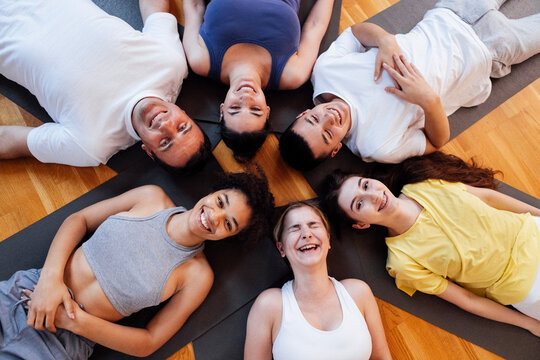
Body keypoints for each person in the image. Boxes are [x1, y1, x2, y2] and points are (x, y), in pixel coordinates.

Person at [0, 172, 275, 359]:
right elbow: (78, 220)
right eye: (220, 202)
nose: (213, 216)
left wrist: (74, 322)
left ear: (230, 236)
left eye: (228, 223)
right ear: (214, 192)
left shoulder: (198, 276)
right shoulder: (150, 197)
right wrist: (50, 280)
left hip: (63, 343)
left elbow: (149, 341)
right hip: (29, 289)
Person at [280, 0, 540, 170]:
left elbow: (356, 32)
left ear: (305, 113)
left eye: (313, 120)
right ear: (336, 149)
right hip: (489, 52)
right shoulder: (375, 145)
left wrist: (385, 41)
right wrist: (428, 100)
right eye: (328, 134)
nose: (329, 118)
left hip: (451, 13)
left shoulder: (324, 72)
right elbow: (436, 142)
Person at [323, 151, 540, 336]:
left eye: (366, 185)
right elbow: (467, 299)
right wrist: (528, 324)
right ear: (360, 224)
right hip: (524, 286)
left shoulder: (426, 185)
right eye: (360, 204)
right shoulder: (402, 263)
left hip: (533, 229)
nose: (374, 196)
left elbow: (488, 198)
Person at [0, 0, 211, 170]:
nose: (165, 125)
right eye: (182, 126)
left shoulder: (92, 145)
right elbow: (155, 10)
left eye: (164, 142)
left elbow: (10, 141)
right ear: (184, 113)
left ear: (147, 150)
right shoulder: (171, 64)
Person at [182, 0, 334, 161]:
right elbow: (315, 26)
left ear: (222, 110)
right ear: (267, 111)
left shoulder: (200, 60)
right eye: (255, 109)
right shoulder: (293, 74)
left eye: (234, 107)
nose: (246, 97)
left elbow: (194, 6)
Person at [244, 201, 391, 359]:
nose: (306, 234)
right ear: (281, 248)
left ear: (328, 240)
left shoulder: (358, 293)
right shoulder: (269, 305)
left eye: (313, 225)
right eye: (295, 228)